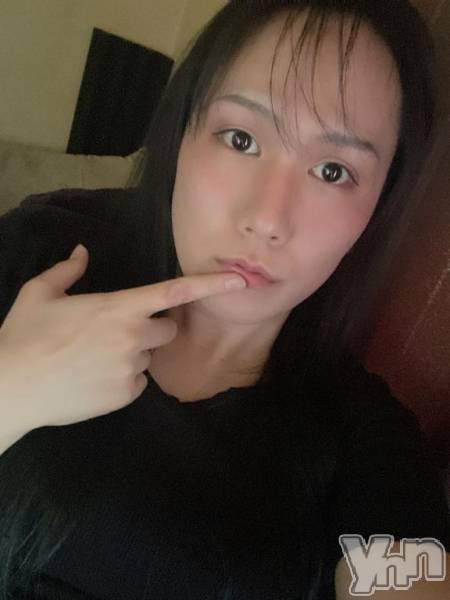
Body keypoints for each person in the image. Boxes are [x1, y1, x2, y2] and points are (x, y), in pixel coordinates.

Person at [0, 1, 448, 599]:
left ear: (375, 210)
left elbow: (407, 577)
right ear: (182, 134)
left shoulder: (366, 444)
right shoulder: (43, 253)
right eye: (240, 139)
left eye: (333, 172)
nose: (267, 218)